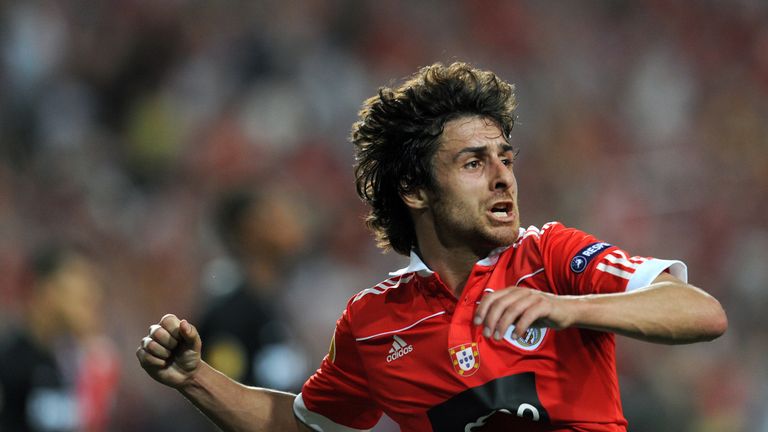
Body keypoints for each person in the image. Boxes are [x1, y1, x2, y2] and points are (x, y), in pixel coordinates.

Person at [136, 62, 727, 431]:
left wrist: (568, 307)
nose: (503, 177)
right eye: (475, 162)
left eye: (506, 159)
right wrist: (194, 379)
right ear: (415, 189)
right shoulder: (373, 324)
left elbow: (701, 312)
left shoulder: (551, 256)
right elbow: (301, 426)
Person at [195, 186, 309, 391]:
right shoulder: (229, 314)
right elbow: (221, 396)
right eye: (276, 217)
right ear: (252, 229)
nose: (293, 224)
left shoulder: (276, 300)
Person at [0, 244, 120, 432]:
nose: (94, 292)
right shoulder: (8, 365)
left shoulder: (69, 366)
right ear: (45, 289)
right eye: (81, 277)